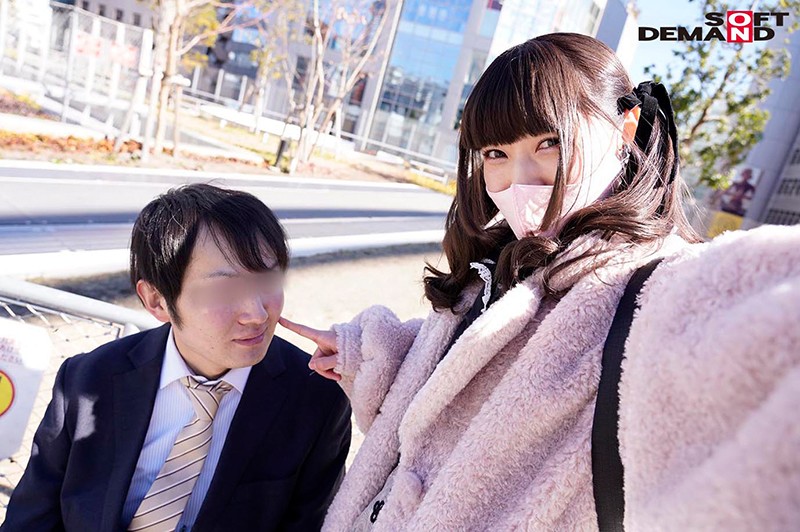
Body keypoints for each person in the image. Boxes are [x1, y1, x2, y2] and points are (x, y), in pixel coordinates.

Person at [281, 33, 800, 530]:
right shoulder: (502, 262)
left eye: (549, 143)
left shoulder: (654, 289)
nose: (520, 178)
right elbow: (467, 388)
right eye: (496, 154)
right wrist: (374, 354)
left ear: (625, 128)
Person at [2, 184, 352, 531]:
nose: (257, 313)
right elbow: (31, 520)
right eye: (225, 289)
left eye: (267, 280)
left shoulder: (316, 399)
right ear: (156, 300)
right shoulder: (88, 379)